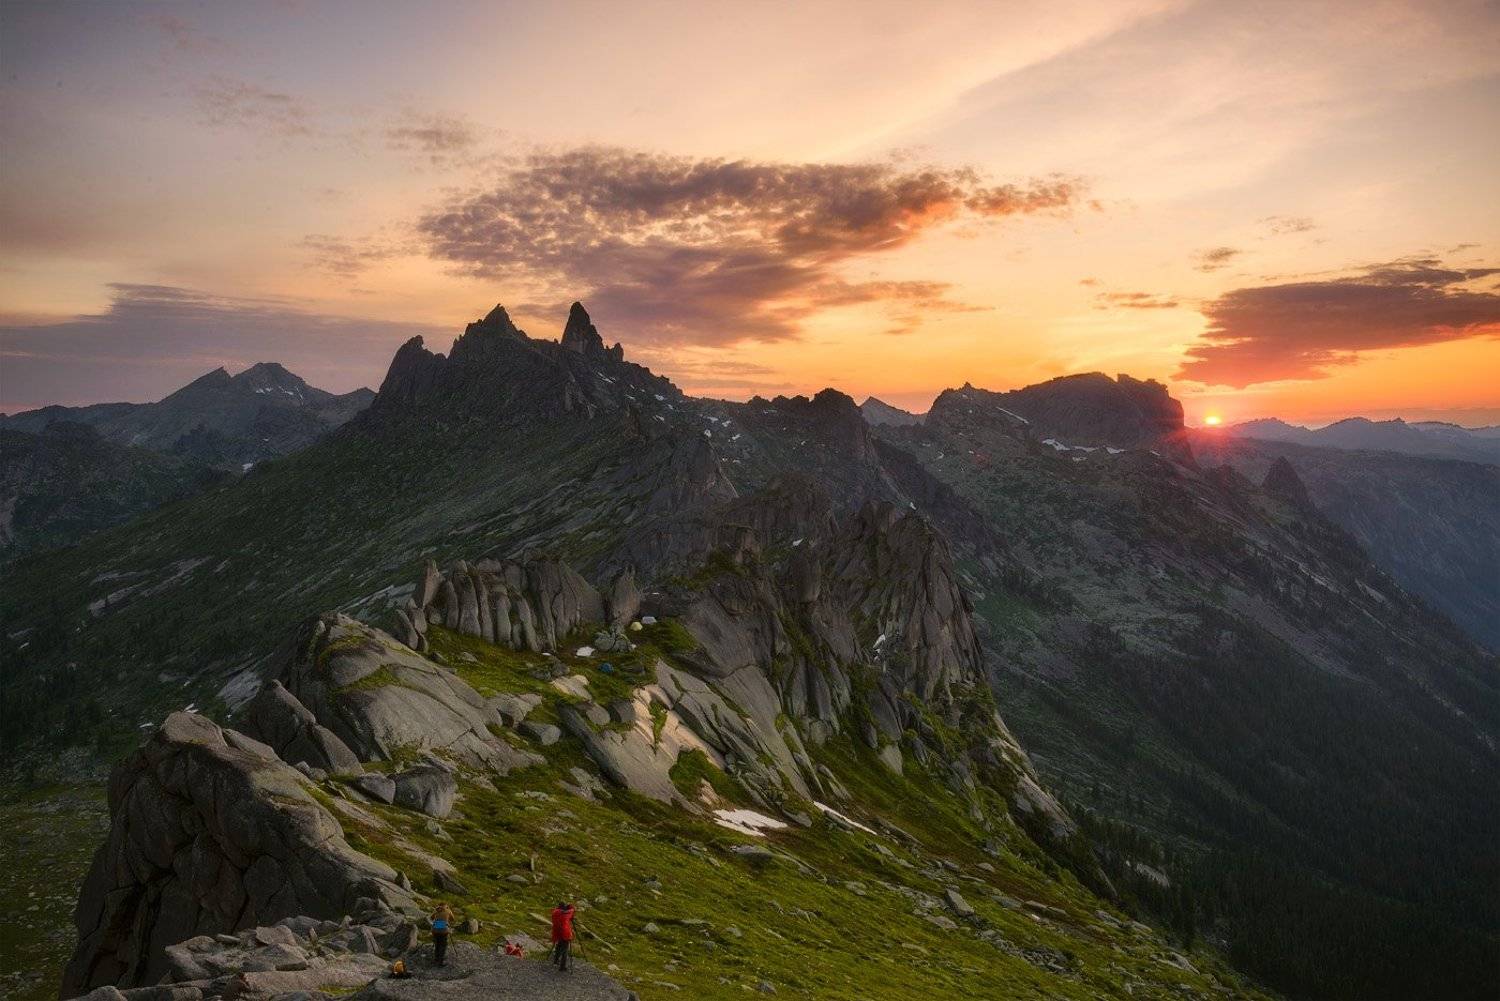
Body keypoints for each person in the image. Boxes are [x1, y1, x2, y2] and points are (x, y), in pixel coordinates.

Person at [550, 901, 577, 971]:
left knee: (559, 945)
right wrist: (571, 906)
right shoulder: (566, 913)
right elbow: (572, 911)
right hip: (565, 933)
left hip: (557, 932)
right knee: (565, 949)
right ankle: (562, 966)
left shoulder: (555, 912)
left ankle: (556, 960)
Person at [430, 902, 454, 966]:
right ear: (446, 906)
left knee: (437, 944)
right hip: (443, 930)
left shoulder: (436, 910)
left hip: (435, 930)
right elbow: (452, 919)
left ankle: (436, 959)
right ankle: (441, 961)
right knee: (443, 945)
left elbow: (431, 918)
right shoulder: (448, 910)